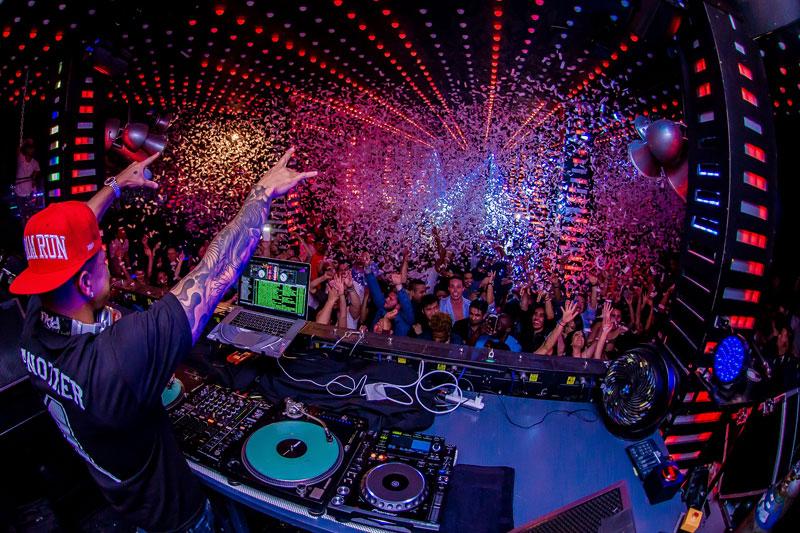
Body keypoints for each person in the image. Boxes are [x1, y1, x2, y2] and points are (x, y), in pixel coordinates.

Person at [11, 149, 316, 532]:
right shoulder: (120, 358)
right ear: (87, 283)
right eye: (103, 262)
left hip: (119, 499)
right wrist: (261, 193)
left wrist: (116, 185)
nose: (108, 262)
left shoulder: (33, 323)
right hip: (176, 517)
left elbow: (72, 233)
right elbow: (214, 271)